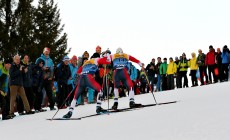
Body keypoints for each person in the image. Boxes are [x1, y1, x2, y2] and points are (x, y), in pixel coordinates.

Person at [62, 52, 111, 118]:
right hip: (88, 78)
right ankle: (98, 107)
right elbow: (108, 61)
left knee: (75, 97)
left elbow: (78, 71)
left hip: (81, 78)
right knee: (100, 91)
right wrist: (107, 55)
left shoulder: (86, 62)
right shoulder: (96, 60)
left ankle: (70, 112)